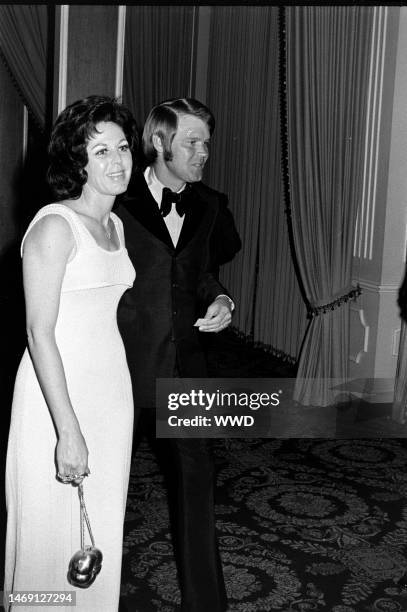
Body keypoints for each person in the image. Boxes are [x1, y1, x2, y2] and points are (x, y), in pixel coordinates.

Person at [4, 95, 138, 611]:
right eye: (99, 150)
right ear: (75, 162)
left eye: (122, 147)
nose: (116, 161)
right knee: (50, 538)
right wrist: (69, 430)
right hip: (55, 400)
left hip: (110, 395)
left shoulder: (116, 225)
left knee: (96, 527)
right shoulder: (55, 226)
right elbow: (40, 334)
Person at [115, 97, 241, 612]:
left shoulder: (209, 204)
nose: (203, 151)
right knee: (101, 497)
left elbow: (196, 274)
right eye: (192, 141)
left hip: (185, 372)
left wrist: (221, 299)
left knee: (197, 493)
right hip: (119, 370)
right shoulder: (115, 197)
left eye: (207, 141)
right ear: (160, 142)